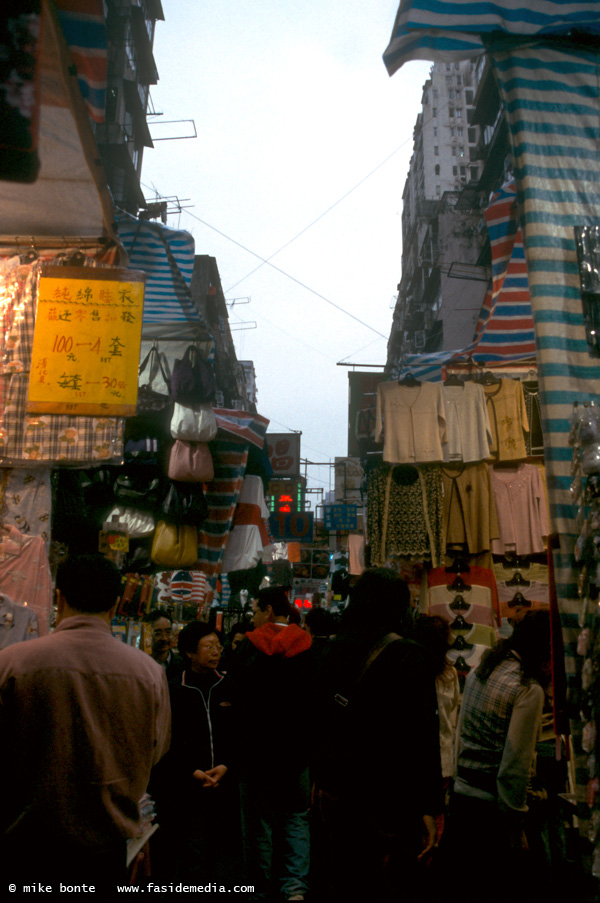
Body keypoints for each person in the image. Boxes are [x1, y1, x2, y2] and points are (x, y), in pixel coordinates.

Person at [0, 553, 171, 890]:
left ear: (59, 597)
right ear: (115, 604)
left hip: (22, 849)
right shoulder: (149, 674)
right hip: (103, 853)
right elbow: (156, 751)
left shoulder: (11, 664)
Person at [312, 567, 442, 902]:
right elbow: (422, 737)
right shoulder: (410, 655)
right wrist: (430, 805)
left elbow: (318, 719)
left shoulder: (331, 649)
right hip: (388, 798)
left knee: (344, 876)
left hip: (338, 792)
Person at [443, 609, 552, 903]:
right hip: (492, 813)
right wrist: (516, 824)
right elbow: (514, 765)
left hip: (463, 801)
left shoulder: (484, 667)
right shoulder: (527, 688)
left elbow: (461, 731)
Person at [226, 585, 313, 902]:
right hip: (296, 753)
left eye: (254, 611)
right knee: (295, 818)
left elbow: (233, 695)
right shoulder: (306, 647)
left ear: (267, 611)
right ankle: (294, 887)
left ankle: (259, 888)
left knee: (259, 823)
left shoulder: (249, 648)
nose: (252, 618)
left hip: (256, 753)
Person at [152, 620, 238, 882]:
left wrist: (226, 765)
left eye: (218, 646)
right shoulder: (175, 688)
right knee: (191, 853)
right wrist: (191, 770)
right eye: (208, 646)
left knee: (222, 853)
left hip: (224, 783)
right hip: (187, 786)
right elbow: (167, 739)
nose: (215, 651)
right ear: (189, 652)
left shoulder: (228, 685)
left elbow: (238, 733)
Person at [145, 607, 184, 683]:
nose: (164, 638)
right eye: (157, 633)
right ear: (147, 634)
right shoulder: (140, 665)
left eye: (168, 632)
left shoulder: (183, 666)